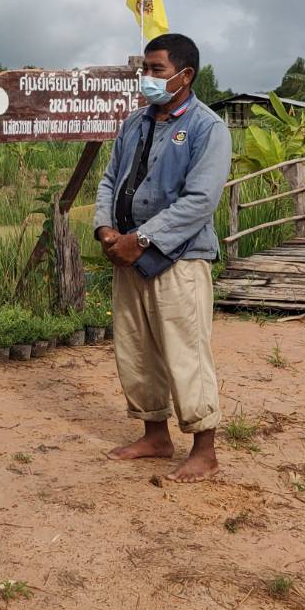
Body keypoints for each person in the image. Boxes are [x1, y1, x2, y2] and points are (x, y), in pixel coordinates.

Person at [93, 32, 232, 483]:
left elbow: (199, 201)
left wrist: (144, 239)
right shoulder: (135, 123)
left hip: (179, 259)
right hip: (128, 256)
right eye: (145, 69)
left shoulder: (207, 128)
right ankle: (155, 435)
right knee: (136, 349)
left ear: (184, 75)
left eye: (157, 70)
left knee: (185, 352)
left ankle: (204, 450)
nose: (147, 78)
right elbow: (110, 179)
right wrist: (106, 228)